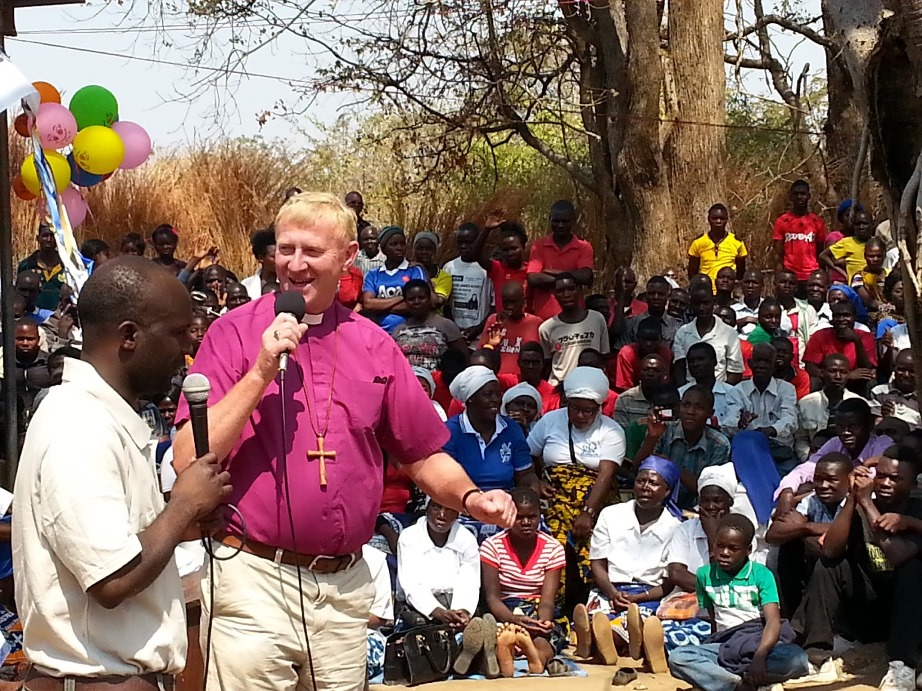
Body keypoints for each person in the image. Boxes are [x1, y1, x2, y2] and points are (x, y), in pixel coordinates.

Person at [172, 193, 516, 691]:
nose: (294, 264)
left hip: (341, 588)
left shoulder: (373, 343)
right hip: (253, 579)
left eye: (311, 251)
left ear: (348, 256)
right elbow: (189, 457)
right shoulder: (233, 333)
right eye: (284, 249)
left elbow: (420, 453)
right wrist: (261, 372)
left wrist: (471, 498)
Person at [12, 257, 231, 687]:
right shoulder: (78, 424)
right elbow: (112, 579)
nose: (188, 347)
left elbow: (116, 547)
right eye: (176, 331)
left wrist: (177, 524)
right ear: (129, 336)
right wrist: (184, 507)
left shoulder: (102, 418)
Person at [791, 454, 922, 691]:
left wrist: (868, 505)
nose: (885, 483)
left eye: (895, 478)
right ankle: (816, 656)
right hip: (870, 607)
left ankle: (902, 666)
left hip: (909, 614)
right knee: (829, 565)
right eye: (880, 476)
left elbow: (899, 556)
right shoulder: (862, 503)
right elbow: (830, 549)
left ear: (913, 485)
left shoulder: (917, 511)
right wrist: (853, 499)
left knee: (914, 570)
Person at [668, 515, 808, 691]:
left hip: (758, 643)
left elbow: (772, 621)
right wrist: (710, 647)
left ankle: (719, 680)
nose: (724, 552)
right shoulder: (704, 575)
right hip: (724, 646)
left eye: (733, 548)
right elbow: (713, 619)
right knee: (678, 657)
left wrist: (760, 656)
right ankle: (738, 685)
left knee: (797, 660)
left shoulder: (761, 575)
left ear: (748, 550)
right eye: (720, 545)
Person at [527, 367, 624, 604]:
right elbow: (525, 457)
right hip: (554, 502)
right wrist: (535, 481)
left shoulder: (611, 430)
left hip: (594, 502)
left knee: (593, 553)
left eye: (588, 411)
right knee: (552, 554)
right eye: (575, 409)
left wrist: (588, 513)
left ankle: (590, 609)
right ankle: (553, 609)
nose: (581, 416)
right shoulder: (550, 421)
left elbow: (606, 474)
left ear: (599, 408)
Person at [581, 456, 681, 672]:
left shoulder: (675, 527)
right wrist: (612, 592)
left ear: (667, 491)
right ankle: (612, 638)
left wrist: (641, 597)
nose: (645, 487)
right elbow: (597, 562)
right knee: (601, 621)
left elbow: (669, 582)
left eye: (653, 483)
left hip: (649, 595)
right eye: (641, 481)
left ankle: (606, 642)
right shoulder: (611, 514)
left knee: (633, 623)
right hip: (610, 590)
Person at [479, 487, 570, 677]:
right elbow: (493, 599)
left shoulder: (553, 549)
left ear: (540, 517)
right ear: (509, 515)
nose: (526, 522)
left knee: (548, 636)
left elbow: (547, 600)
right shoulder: (491, 546)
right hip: (504, 610)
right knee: (494, 632)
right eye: (519, 517)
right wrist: (512, 619)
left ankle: (535, 657)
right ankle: (509, 652)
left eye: (533, 517)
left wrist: (542, 623)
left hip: (536, 611)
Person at [766, 453, 852, 616]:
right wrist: (807, 529)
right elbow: (773, 534)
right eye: (818, 479)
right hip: (814, 557)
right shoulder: (813, 499)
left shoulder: (854, 501)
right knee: (783, 547)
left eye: (832, 480)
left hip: (846, 568)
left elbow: (839, 541)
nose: (823, 485)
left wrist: (802, 527)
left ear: (848, 480)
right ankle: (787, 614)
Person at [443, 365, 537, 495]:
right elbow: (446, 480)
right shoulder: (450, 431)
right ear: (470, 399)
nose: (495, 400)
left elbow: (525, 476)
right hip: (462, 504)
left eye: (498, 394)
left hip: (505, 504)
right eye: (488, 394)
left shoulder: (511, 429)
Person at [635, 385, 731, 509]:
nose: (690, 412)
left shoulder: (719, 444)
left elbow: (708, 489)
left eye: (699, 408)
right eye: (686, 405)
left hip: (697, 512)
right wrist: (652, 438)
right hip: (658, 507)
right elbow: (637, 469)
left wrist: (672, 466)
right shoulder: (663, 430)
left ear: (710, 413)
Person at [777, 398, 894, 499]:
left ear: (870, 425)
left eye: (852, 427)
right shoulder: (835, 443)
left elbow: (865, 482)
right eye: (840, 427)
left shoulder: (882, 444)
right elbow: (806, 468)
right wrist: (787, 492)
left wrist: (800, 498)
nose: (845, 432)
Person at [396, 498, 480, 627]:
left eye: (450, 510)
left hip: (456, 607)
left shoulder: (467, 539)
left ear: (458, 513)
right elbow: (412, 586)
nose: (442, 515)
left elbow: (469, 582)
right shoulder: (409, 537)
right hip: (419, 609)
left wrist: (461, 612)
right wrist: (440, 613)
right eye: (436, 507)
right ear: (426, 509)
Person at [526, 200, 594, 321]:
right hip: (544, 320)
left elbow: (585, 276)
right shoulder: (539, 246)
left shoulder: (584, 247)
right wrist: (570, 279)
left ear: (574, 221)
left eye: (565, 221)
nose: (560, 225)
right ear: (550, 219)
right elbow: (533, 278)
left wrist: (550, 273)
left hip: (575, 319)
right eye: (556, 221)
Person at [539, 273, 609, 386]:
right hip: (560, 388)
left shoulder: (597, 319)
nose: (566, 295)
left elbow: (604, 356)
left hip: (591, 384)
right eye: (560, 291)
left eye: (571, 289)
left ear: (579, 290)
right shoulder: (546, 328)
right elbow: (546, 364)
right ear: (555, 294)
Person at [795, 353, 865, 461]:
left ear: (848, 374)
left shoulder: (859, 403)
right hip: (814, 459)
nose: (838, 376)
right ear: (822, 372)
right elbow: (801, 439)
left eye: (843, 372)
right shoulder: (806, 403)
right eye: (832, 371)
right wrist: (810, 458)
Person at [361, 225, 428, 334]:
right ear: (383, 248)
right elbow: (368, 304)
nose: (399, 248)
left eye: (402, 244)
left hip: (409, 331)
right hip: (379, 332)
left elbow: (417, 305)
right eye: (393, 244)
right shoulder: (373, 274)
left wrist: (379, 307)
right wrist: (402, 297)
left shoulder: (414, 271)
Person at [672, 285, 744, 386]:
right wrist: (685, 393)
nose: (701, 308)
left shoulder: (729, 334)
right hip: (690, 393)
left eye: (705, 303)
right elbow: (679, 368)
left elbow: (735, 372)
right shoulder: (683, 333)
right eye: (697, 304)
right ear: (691, 305)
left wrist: (720, 392)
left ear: (714, 303)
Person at [391, 280, 467, 371]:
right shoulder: (398, 330)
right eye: (411, 299)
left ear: (429, 299)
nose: (417, 302)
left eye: (421, 298)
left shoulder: (446, 325)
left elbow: (463, 357)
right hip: (407, 381)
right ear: (405, 301)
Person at [803, 300, 876, 388]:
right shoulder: (820, 336)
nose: (841, 319)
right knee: (814, 381)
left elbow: (866, 368)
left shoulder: (865, 336)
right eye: (837, 316)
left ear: (854, 317)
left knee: (870, 382)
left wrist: (857, 340)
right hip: (828, 381)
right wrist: (844, 376)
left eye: (846, 315)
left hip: (855, 382)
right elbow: (810, 368)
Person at [478, 282, 542, 376]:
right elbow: (481, 353)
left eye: (514, 302)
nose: (510, 307)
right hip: (496, 379)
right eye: (506, 302)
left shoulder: (535, 323)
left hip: (523, 381)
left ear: (524, 302)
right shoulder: (494, 320)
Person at [772, 179, 827, 287]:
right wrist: (779, 278)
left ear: (809, 196)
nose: (799, 197)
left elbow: (820, 252)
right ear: (790, 196)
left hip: (812, 276)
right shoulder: (782, 221)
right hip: (790, 277)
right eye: (796, 194)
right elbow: (778, 254)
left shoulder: (817, 222)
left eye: (803, 194)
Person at [443, 223, 493, 342]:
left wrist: (478, 329)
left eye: (469, 242)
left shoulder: (486, 268)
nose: (463, 246)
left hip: (480, 335)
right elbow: (446, 305)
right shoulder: (449, 267)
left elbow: (494, 305)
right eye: (460, 242)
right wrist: (454, 328)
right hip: (455, 334)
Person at [471, 217, 529, 314]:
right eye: (505, 250)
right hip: (502, 324)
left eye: (514, 248)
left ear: (523, 247)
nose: (510, 253)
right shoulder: (498, 269)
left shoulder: (532, 271)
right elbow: (475, 255)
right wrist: (487, 229)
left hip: (526, 326)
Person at [613, 276, 682, 350]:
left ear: (668, 296)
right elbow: (623, 352)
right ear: (646, 295)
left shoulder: (677, 327)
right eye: (652, 294)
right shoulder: (631, 324)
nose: (656, 297)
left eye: (660, 294)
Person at [686, 204, 747, 285]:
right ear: (708, 219)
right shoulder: (698, 242)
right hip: (705, 290)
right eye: (715, 218)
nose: (718, 221)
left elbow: (741, 272)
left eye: (722, 218)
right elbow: (692, 272)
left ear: (727, 220)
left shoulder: (737, 242)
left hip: (727, 291)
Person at [678, 342, 734, 428]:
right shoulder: (681, 393)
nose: (695, 364)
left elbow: (735, 426)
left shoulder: (732, 393)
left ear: (714, 361)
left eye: (700, 359)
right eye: (691, 361)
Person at [612, 317, 672, 393]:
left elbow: (664, 382)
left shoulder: (665, 353)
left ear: (660, 339)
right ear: (637, 338)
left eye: (653, 340)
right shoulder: (627, 353)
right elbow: (625, 387)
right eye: (645, 339)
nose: (649, 344)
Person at [17, 224, 66, 312]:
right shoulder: (26, 265)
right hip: (31, 317)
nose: (49, 239)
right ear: (37, 238)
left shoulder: (66, 266)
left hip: (58, 319)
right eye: (45, 235)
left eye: (53, 236)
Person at [614, 353, 670, 429]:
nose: (650, 374)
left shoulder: (671, 399)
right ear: (639, 373)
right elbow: (621, 434)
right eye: (646, 370)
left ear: (665, 375)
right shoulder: (625, 400)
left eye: (656, 370)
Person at [774, 268, 818, 363]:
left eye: (791, 283)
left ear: (796, 287)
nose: (787, 286)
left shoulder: (807, 310)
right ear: (775, 284)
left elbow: (812, 340)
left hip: (801, 364)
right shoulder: (767, 308)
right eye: (783, 282)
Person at [820, 208, 875, 282]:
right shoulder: (847, 242)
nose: (861, 227)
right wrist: (839, 270)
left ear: (872, 224)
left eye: (865, 224)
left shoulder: (876, 243)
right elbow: (823, 256)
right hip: (854, 286)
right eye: (858, 224)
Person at [870, 349, 920, 427]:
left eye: (912, 371)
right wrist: (886, 418)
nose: (906, 375)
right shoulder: (879, 392)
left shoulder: (920, 398)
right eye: (901, 369)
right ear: (894, 368)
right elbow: (875, 426)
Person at [12, 318, 51, 416]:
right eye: (20, 339)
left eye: (30, 339)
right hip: (11, 418)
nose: (25, 343)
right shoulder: (4, 362)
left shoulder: (49, 363)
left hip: (43, 416)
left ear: (38, 339)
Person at [29, 345, 80, 414]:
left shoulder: (92, 395)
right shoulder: (45, 396)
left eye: (65, 365)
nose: (60, 371)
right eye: (55, 366)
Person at [411, 232, 452, 312]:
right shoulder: (407, 272)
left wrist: (424, 272)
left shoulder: (444, 277)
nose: (424, 252)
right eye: (420, 248)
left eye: (428, 249)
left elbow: (435, 303)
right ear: (414, 250)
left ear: (435, 251)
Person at [852, 237, 890, 314]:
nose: (875, 259)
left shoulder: (890, 274)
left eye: (879, 256)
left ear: (884, 255)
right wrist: (884, 306)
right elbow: (868, 301)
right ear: (865, 256)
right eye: (871, 256)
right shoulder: (859, 277)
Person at [516, 341, 556, 412]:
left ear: (543, 364)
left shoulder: (552, 393)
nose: (530, 366)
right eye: (526, 362)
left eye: (535, 362)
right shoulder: (508, 382)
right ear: (518, 363)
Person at [241, 228, 277, 300]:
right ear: (261, 258)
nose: (278, 259)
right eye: (273, 256)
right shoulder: (247, 285)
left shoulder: (288, 283)